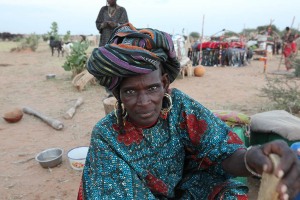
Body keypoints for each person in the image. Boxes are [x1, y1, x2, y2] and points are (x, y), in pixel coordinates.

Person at [78, 23, 300, 199]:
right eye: (129, 92)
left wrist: (252, 158)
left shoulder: (180, 107)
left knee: (228, 192)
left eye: (153, 88)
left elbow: (222, 150)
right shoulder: (107, 136)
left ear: (165, 83)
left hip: (186, 191)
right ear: (117, 95)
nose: (144, 101)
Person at [95, 0, 128, 97]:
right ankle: (109, 91)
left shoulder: (122, 10)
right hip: (104, 43)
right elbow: (98, 23)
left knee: (117, 65)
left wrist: (115, 25)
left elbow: (125, 25)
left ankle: (118, 90)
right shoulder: (103, 10)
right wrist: (103, 25)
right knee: (105, 67)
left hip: (117, 43)